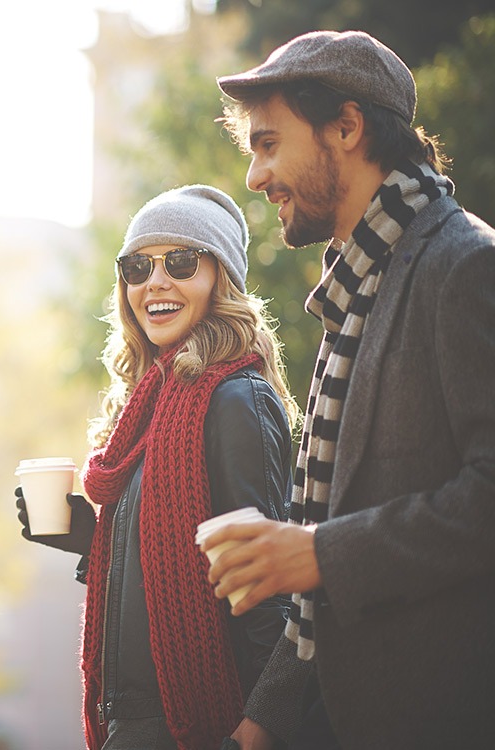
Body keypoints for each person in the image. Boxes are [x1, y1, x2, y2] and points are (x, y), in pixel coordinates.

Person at [203, 30, 495, 750]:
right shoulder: (357, 287)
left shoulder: (463, 267)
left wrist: (321, 554)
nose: (255, 177)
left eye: (268, 145)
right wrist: (268, 714)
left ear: (346, 126)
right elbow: (321, 573)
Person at [15, 185, 301, 750]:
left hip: (202, 726)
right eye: (138, 266)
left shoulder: (234, 399)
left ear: (221, 280)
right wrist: (93, 542)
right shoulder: (144, 409)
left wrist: (266, 722)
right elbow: (169, 557)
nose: (156, 282)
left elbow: (268, 584)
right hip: (134, 726)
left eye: (181, 262)